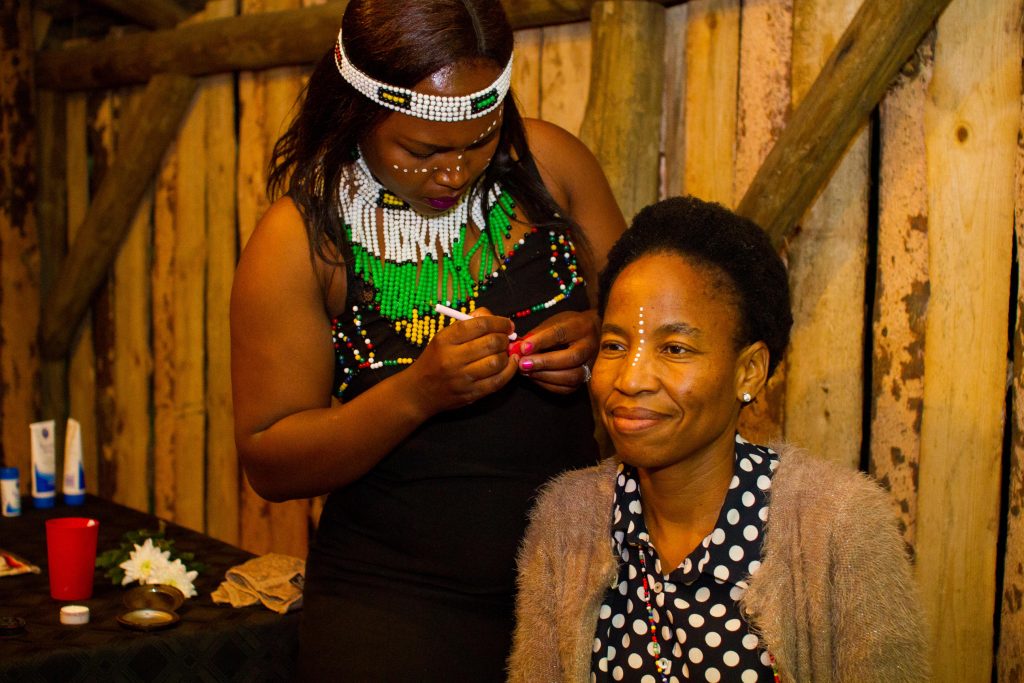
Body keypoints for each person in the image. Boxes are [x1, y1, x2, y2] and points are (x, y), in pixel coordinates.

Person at [229, 0, 626, 679]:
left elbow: (644, 331)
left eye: (481, 139)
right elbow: (271, 461)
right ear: (356, 113)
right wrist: (417, 393)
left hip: (578, 585)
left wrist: (600, 342)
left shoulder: (552, 166)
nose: (455, 171)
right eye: (422, 151)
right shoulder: (302, 242)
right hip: (394, 608)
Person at [508, 196, 929, 682]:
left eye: (675, 348)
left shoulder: (838, 527)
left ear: (748, 371)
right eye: (615, 345)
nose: (631, 378)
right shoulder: (567, 521)